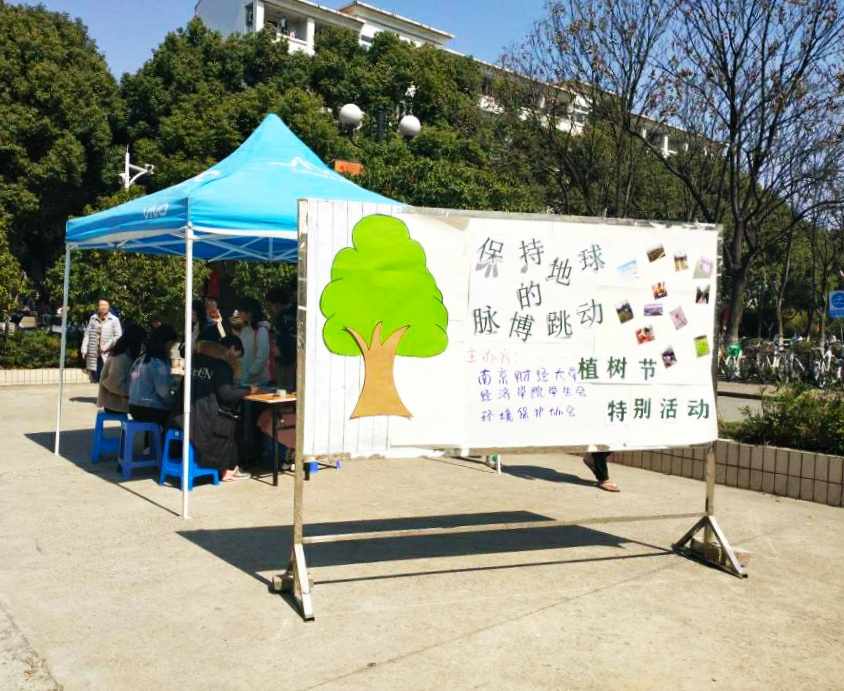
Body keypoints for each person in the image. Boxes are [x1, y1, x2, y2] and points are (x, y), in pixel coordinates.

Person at [176, 334, 257, 482]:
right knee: (234, 422)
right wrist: (249, 390)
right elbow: (226, 394)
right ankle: (229, 468)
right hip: (204, 422)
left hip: (181, 417)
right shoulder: (221, 366)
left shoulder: (194, 362)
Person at [128, 325, 177, 428]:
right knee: (177, 416)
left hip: (133, 406)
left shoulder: (141, 359)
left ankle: (151, 437)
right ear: (166, 343)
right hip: (150, 408)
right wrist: (174, 403)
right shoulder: (159, 363)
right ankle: (164, 438)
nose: (171, 349)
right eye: (171, 345)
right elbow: (163, 392)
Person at [97, 324, 147, 414]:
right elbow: (115, 384)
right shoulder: (121, 357)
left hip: (120, 401)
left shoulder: (127, 356)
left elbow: (130, 376)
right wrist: (134, 393)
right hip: (115, 403)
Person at [81, 298, 122, 383]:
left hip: (107, 353)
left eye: (106, 305)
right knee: (96, 378)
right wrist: (84, 349)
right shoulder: (93, 318)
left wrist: (107, 346)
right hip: (94, 353)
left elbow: (118, 336)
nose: (104, 307)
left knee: (107, 378)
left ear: (109, 306)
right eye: (101, 305)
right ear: (98, 306)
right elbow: (87, 334)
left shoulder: (114, 319)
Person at [232, 296, 271, 386]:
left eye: (240, 311)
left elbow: (262, 358)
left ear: (249, 313)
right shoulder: (244, 330)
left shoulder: (261, 331)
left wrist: (249, 374)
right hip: (242, 381)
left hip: (257, 383)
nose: (238, 314)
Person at [267, 287, 296, 390]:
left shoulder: (284, 316)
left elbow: (285, 339)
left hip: (288, 361)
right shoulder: (297, 310)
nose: (271, 309)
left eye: (271, 305)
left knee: (285, 391)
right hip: (295, 360)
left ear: (277, 304)